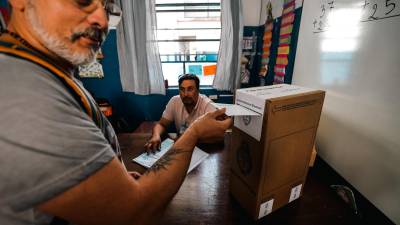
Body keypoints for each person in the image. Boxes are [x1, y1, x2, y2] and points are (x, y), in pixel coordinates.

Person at [0, 1, 232, 225]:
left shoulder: (46, 73)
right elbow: (133, 214)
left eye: (107, 6)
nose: (102, 19)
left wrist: (114, 181)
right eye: (83, 1)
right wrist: (193, 133)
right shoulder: (22, 90)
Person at [144, 74, 217, 151]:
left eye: (190, 89)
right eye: (182, 89)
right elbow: (161, 124)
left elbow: (216, 135)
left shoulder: (208, 105)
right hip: (181, 147)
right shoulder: (174, 101)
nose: (185, 94)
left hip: (201, 148)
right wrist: (156, 136)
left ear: (198, 90)